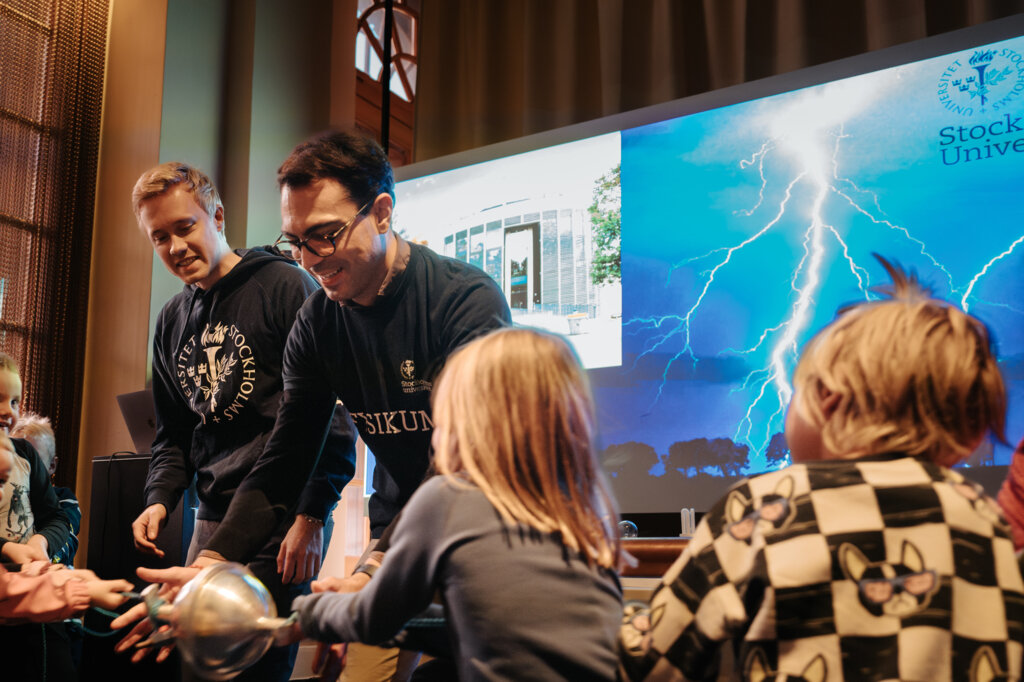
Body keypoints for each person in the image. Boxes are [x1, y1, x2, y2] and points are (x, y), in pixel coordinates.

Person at [183, 131, 511, 680]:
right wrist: (213, 562)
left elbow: (462, 460)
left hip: (486, 532)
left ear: (381, 212)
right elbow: (288, 456)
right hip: (397, 527)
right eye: (295, 242)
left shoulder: (463, 301)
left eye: (325, 236)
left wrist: (376, 569)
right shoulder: (317, 322)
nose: (310, 260)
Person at [618, 257, 1020, 681]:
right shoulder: (983, 516)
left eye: (798, 390)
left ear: (827, 400)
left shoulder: (765, 508)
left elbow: (651, 662)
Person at [286, 328, 627, 680]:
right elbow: (487, 626)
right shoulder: (583, 517)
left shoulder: (446, 499)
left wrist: (311, 612)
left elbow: (372, 618)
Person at [130, 162, 356, 681]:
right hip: (211, 521)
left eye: (185, 227)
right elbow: (174, 435)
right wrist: (160, 498)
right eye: (159, 237)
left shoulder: (285, 286)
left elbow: (332, 416)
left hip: (281, 521)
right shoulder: (170, 321)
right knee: (196, 664)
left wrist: (313, 514)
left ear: (217, 216)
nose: (175, 247)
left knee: (252, 666)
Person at [0, 353, 73, 566]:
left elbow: (57, 518)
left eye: (14, 402)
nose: (8, 411)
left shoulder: (25, 454)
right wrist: (7, 548)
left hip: (30, 574)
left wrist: (41, 542)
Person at [12, 412, 80, 565]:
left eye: (35, 461)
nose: (26, 468)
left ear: (52, 465)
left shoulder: (64, 499)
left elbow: (68, 538)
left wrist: (42, 552)